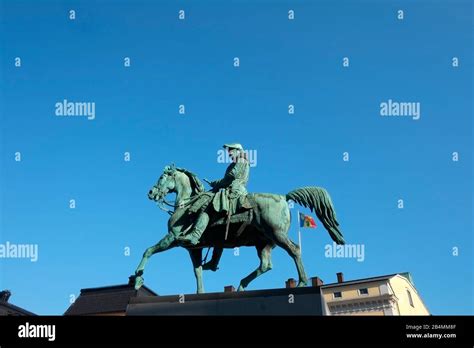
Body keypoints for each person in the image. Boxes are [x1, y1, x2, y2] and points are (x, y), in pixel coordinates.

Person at [178, 143, 250, 246]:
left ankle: (195, 235)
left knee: (207, 204)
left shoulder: (241, 160)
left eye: (231, 150)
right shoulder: (239, 161)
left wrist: (216, 183)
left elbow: (231, 177)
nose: (229, 153)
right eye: (228, 151)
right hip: (233, 188)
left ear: (238, 150)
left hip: (234, 190)